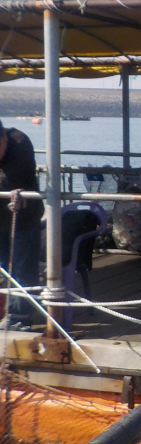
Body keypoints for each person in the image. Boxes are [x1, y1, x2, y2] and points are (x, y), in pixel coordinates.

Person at [0, 120, 44, 331]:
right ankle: (8, 313)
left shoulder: (20, 142)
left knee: (22, 269)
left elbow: (11, 180)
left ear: (4, 139)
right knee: (4, 269)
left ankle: (20, 318)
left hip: (23, 219)